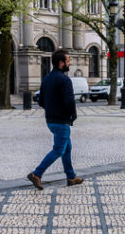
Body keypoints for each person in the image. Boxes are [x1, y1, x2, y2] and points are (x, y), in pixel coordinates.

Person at [27, 49, 83, 189]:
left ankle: (71, 177)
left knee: (67, 147)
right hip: (61, 121)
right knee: (58, 150)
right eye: (68, 61)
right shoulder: (64, 80)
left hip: (50, 120)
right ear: (61, 62)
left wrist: (51, 109)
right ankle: (36, 173)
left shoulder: (47, 78)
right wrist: (73, 115)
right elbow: (69, 101)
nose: (69, 63)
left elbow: (40, 100)